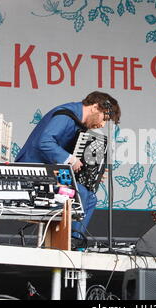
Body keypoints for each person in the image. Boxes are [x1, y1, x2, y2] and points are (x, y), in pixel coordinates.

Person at [15, 91, 121, 244]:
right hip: (32, 173)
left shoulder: (77, 123)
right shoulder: (65, 116)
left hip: (49, 173)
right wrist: (71, 159)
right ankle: (67, 243)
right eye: (104, 118)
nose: (102, 125)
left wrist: (93, 173)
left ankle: (73, 241)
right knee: (80, 193)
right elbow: (44, 142)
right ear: (94, 107)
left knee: (90, 197)